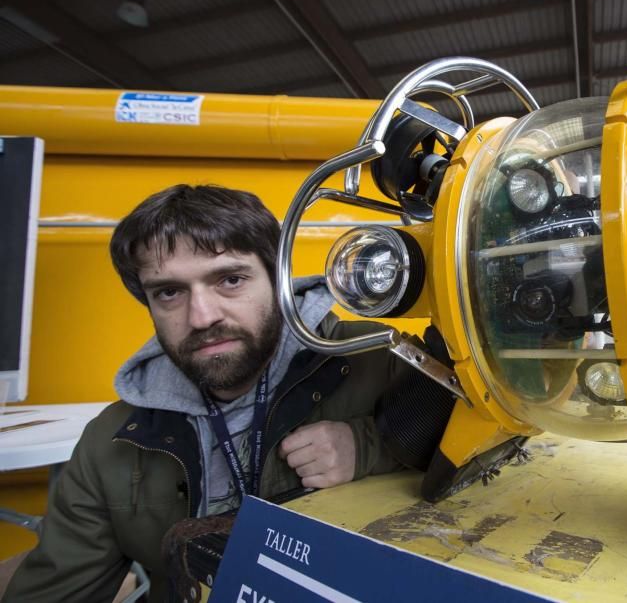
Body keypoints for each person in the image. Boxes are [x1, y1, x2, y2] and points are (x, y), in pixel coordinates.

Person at [4, 184, 405, 602]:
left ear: (278, 275)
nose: (202, 317)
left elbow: (474, 450)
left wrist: (373, 444)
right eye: (169, 292)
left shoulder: (379, 359)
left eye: (230, 280)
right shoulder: (112, 442)